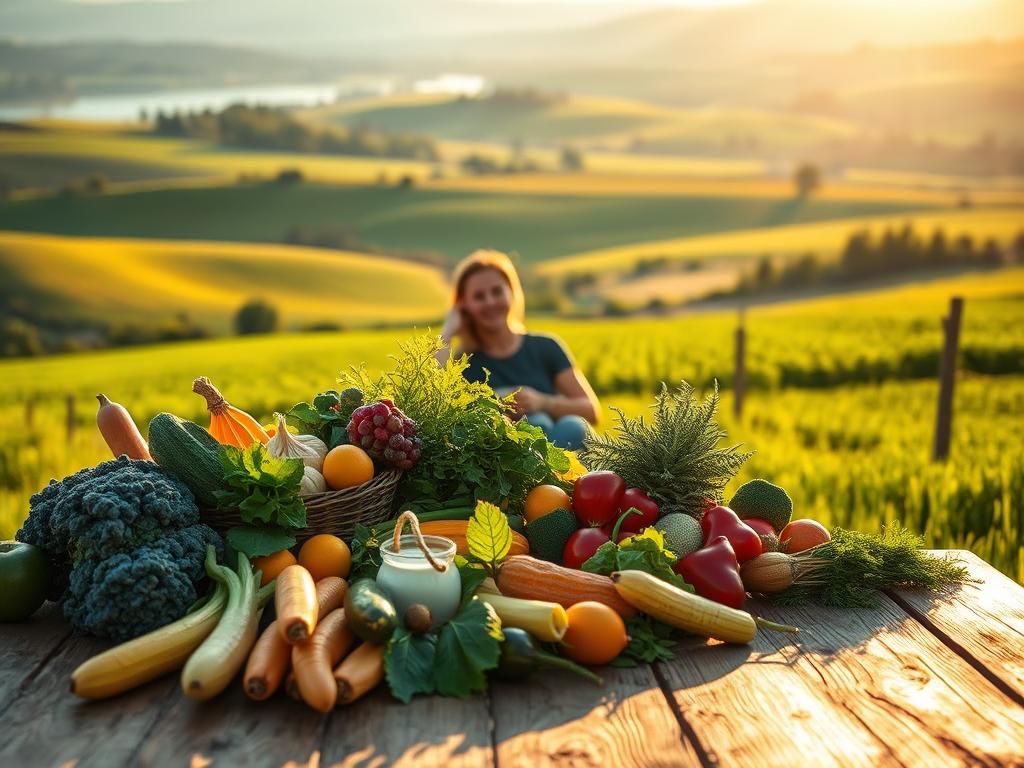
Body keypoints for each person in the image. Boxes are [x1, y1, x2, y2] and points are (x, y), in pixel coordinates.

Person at [436, 249, 600, 450]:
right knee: (537, 423)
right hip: (501, 465)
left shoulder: (546, 347)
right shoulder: (463, 363)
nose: (490, 301)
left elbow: (591, 410)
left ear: (511, 292)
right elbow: (434, 405)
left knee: (573, 426)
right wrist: (448, 329)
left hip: (562, 448)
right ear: (464, 306)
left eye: (497, 291)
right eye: (479, 296)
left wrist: (543, 402)